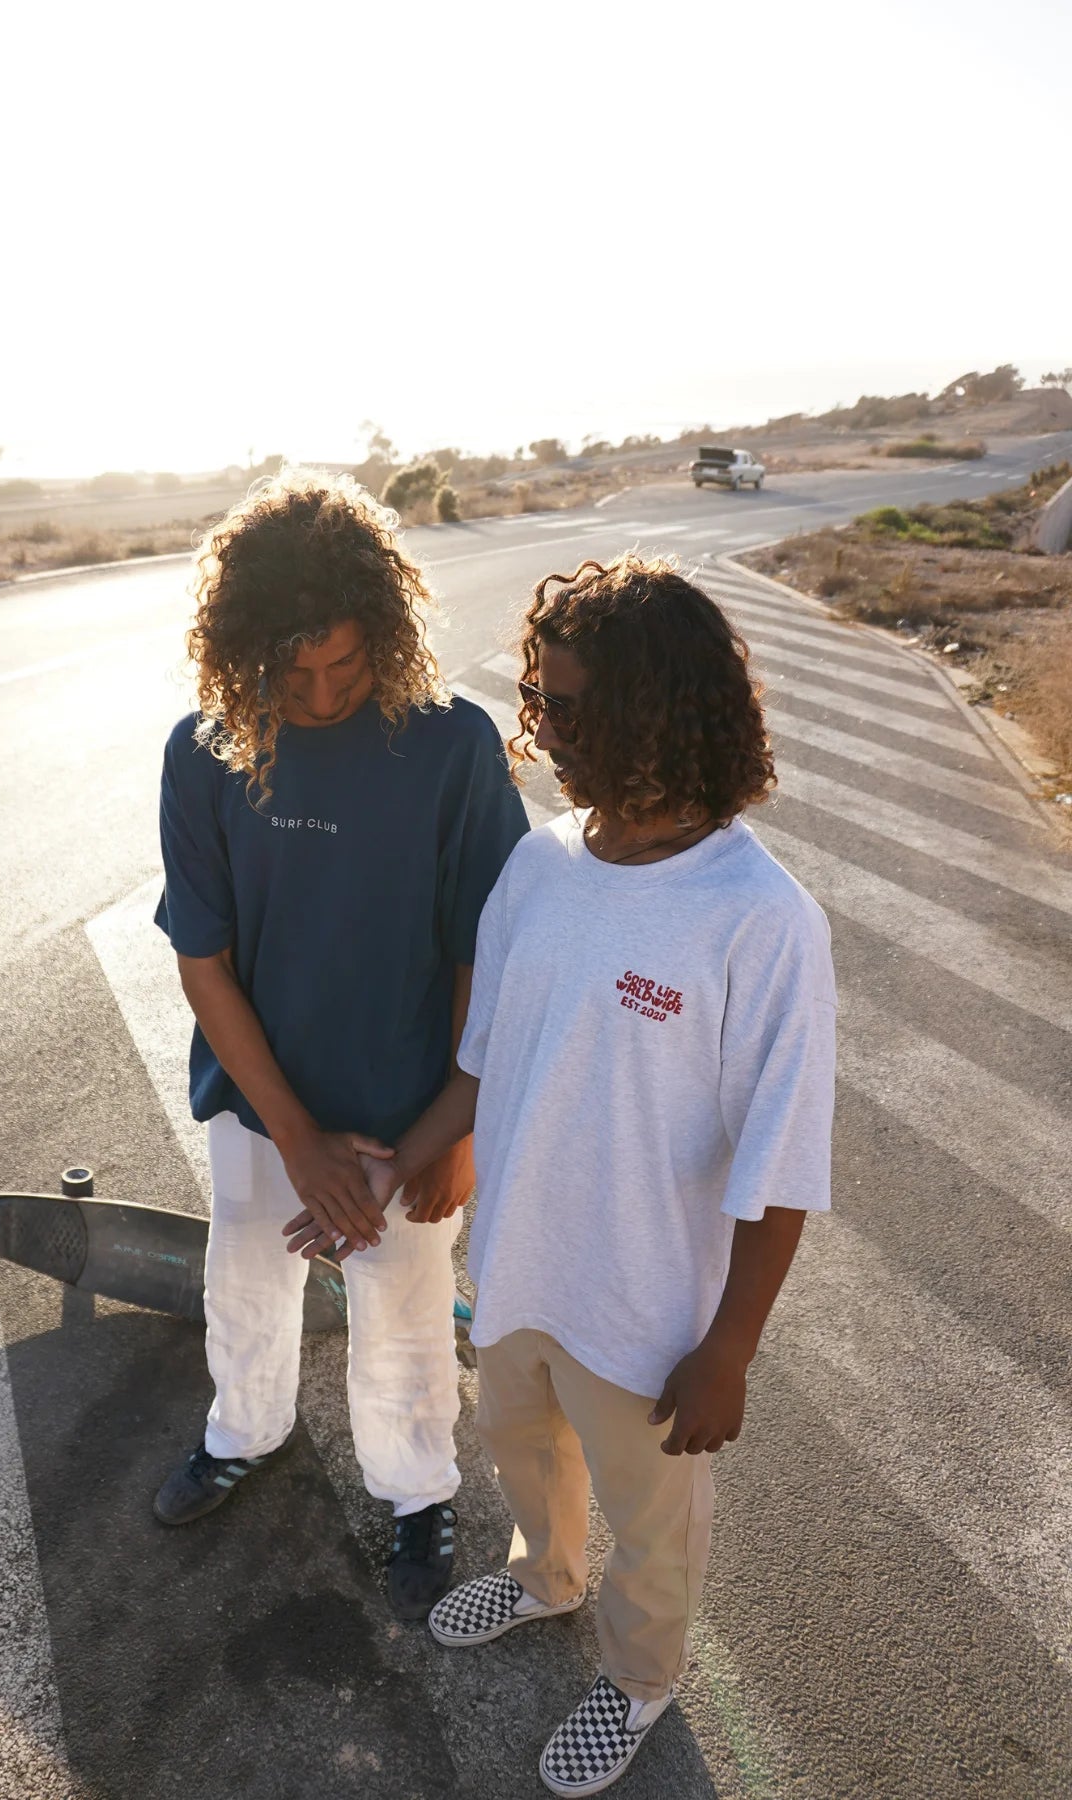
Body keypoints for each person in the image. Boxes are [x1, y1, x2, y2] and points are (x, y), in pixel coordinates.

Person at [298, 554, 836, 1792]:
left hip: (650, 1318)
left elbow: (786, 1161)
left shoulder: (761, 919)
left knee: (656, 1530)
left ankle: (642, 1678)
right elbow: (483, 1064)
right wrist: (390, 1173)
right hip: (523, 1270)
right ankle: (547, 1573)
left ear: (662, 711)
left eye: (571, 705)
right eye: (542, 698)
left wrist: (730, 1350)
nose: (544, 727)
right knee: (522, 1447)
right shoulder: (540, 867)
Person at [152, 469, 528, 1620]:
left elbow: (486, 950)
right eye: (289, 670)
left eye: (346, 668)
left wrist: (447, 1131)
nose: (317, 695)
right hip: (265, 1101)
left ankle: (418, 1491)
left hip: (412, 1100)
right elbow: (204, 962)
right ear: (241, 651)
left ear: (390, 635)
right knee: (247, 1280)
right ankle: (241, 1433)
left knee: (406, 1303)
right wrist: (300, 1139)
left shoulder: (455, 746)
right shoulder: (205, 750)